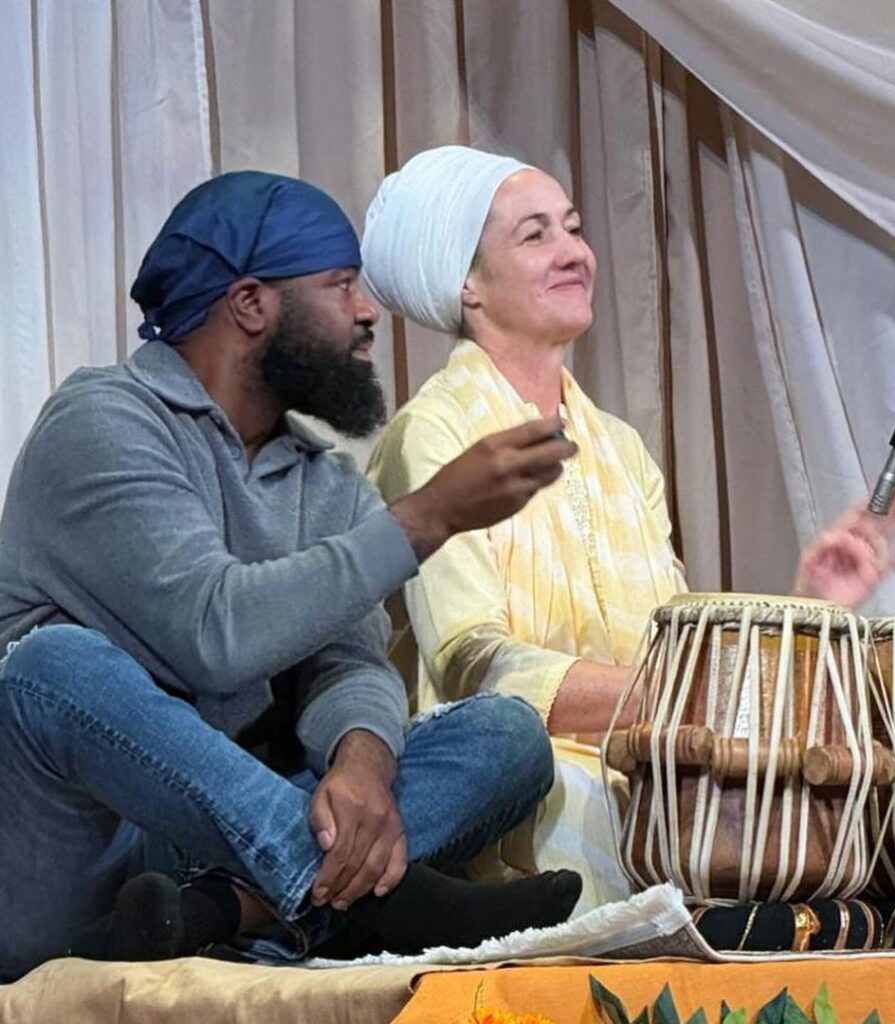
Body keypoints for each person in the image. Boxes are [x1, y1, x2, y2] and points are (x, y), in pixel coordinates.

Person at [0, 171, 584, 982]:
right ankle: (364, 902)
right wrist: (425, 518)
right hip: (77, 851)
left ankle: (224, 912)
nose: (367, 311)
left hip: (211, 843)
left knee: (506, 735)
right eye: (340, 285)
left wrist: (362, 762)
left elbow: (349, 661)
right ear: (250, 304)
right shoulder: (102, 421)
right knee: (52, 667)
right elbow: (216, 635)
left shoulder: (325, 478)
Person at [363, 145, 895, 912]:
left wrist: (802, 609)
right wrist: (679, 695)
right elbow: (473, 666)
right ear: (467, 283)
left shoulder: (619, 449)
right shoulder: (433, 433)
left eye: (573, 227)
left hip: (640, 766)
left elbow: (670, 647)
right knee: (587, 799)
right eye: (535, 235)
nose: (574, 252)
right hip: (509, 783)